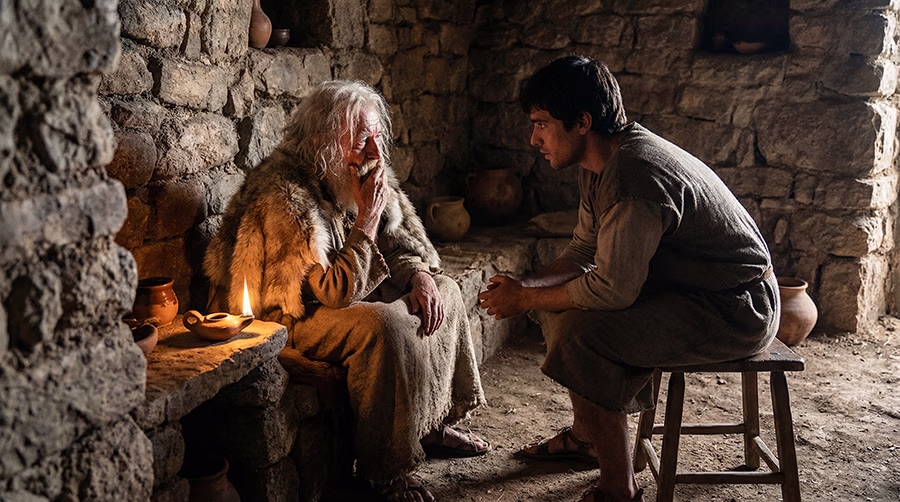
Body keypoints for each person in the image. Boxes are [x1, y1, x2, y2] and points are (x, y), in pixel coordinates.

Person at [477, 56, 779, 502]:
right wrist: (527, 290)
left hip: (736, 306)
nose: (533, 138)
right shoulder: (600, 162)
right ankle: (587, 440)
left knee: (586, 335)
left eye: (541, 123)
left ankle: (619, 488)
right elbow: (583, 251)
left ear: (582, 122)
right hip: (693, 291)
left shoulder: (633, 177)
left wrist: (527, 298)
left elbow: (611, 290)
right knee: (559, 313)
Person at [204, 80, 489, 502]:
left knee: (443, 288)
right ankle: (388, 470)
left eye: (378, 137)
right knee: (382, 324)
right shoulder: (286, 196)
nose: (376, 152)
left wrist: (417, 276)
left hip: (343, 297)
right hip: (293, 318)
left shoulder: (353, 172)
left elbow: (399, 246)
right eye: (361, 139)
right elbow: (334, 292)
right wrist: (368, 221)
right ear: (321, 141)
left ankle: (431, 427)